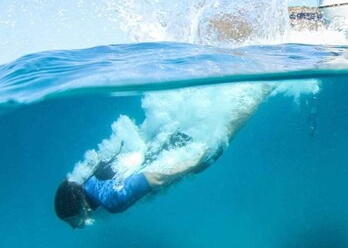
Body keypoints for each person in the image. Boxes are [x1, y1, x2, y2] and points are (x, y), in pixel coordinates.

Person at [54, 83, 273, 229]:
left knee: (248, 104)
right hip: (169, 140)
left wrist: (193, 161)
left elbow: (154, 178)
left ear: (78, 210)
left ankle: (273, 75)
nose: (74, 227)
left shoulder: (112, 201)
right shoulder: (91, 179)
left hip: (183, 153)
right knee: (229, 98)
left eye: (71, 221)